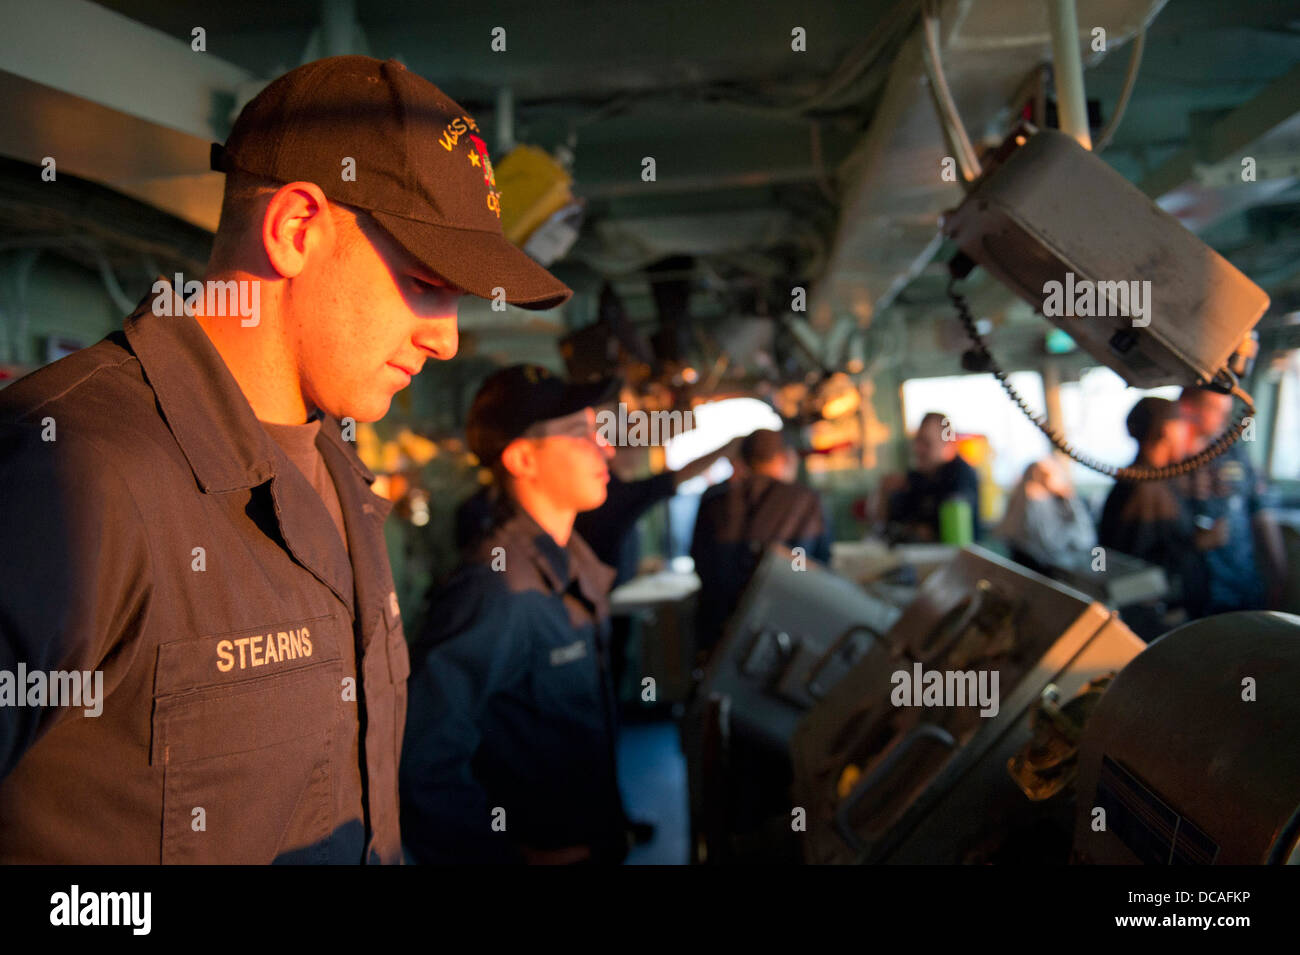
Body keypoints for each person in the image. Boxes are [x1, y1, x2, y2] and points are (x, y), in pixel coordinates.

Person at [0, 56, 571, 863]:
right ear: (296, 229)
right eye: (427, 281)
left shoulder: (339, 476)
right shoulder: (71, 471)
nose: (447, 336)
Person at [401, 364, 632, 864]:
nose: (606, 448)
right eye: (581, 435)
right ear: (523, 458)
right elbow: (420, 758)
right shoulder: (495, 587)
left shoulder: (573, 565)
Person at [689, 429, 832, 655]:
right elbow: (819, 568)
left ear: (744, 459)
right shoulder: (804, 500)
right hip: (781, 631)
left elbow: (699, 559)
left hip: (717, 628)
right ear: (786, 457)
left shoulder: (713, 498)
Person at [1098, 397, 1218, 640]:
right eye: (1182, 423)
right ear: (1166, 429)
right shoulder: (1144, 487)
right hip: (1157, 622)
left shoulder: (1155, 480)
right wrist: (1197, 543)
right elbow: (1137, 564)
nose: (1187, 431)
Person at [1177, 387, 1286, 614]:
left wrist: (1278, 573)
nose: (1224, 419)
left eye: (1226, 411)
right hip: (1189, 592)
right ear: (1187, 407)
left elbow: (1262, 513)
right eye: (1215, 409)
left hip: (1241, 584)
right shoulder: (1167, 460)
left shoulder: (1236, 456)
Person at [884, 411, 982, 543]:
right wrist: (883, 491)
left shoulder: (961, 475)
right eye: (917, 441)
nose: (918, 449)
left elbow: (947, 533)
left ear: (947, 443)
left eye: (926, 442)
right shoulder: (917, 476)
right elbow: (888, 518)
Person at [996, 456, 1096, 573]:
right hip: (1043, 570)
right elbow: (1083, 539)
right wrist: (1069, 497)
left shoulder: (1045, 501)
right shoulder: (1036, 501)